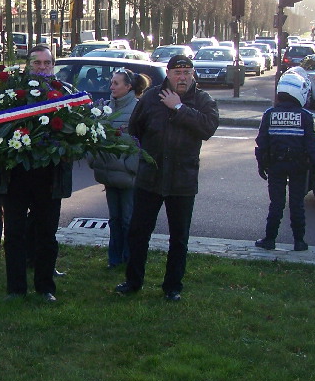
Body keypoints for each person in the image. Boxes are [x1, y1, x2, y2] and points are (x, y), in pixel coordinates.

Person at [115, 54, 219, 302]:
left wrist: (179, 108)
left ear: (192, 74)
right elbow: (135, 128)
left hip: (182, 180)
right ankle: (133, 281)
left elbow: (208, 128)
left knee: (179, 237)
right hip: (150, 178)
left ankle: (172, 286)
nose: (182, 78)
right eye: (177, 73)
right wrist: (148, 156)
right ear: (169, 74)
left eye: (187, 73)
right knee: (139, 233)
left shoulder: (203, 100)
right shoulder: (151, 97)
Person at [0, 45, 72, 302]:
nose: (41, 67)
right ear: (28, 65)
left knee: (47, 235)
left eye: (46, 63)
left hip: (49, 178)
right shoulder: (12, 94)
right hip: (15, 177)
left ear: (53, 66)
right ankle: (16, 289)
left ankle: (45, 288)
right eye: (36, 63)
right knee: (15, 234)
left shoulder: (63, 94)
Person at [88, 69, 150, 268]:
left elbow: (142, 142)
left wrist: (130, 166)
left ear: (128, 87)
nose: (111, 87)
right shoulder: (105, 108)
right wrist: (95, 160)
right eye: (111, 83)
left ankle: (129, 258)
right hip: (109, 174)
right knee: (114, 219)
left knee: (127, 219)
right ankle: (114, 259)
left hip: (128, 176)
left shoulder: (138, 109)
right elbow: (94, 137)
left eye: (116, 83)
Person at [254, 72, 315, 251]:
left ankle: (269, 239)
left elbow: (261, 143)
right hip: (299, 166)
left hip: (276, 165)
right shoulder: (305, 115)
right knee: (297, 204)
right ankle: (299, 241)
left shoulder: (270, 114)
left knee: (276, 203)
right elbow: (312, 145)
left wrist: (261, 164)